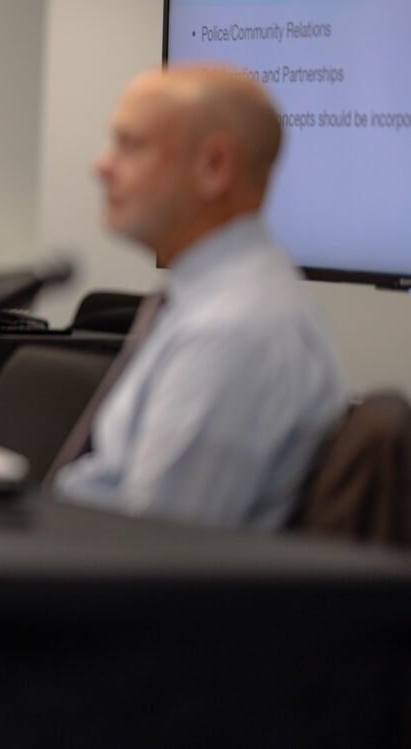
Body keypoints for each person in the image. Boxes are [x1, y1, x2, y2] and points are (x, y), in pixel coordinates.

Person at [51, 65, 345, 528]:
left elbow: (152, 554)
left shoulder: (233, 329)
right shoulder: (206, 300)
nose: (101, 166)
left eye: (131, 145)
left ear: (214, 167)